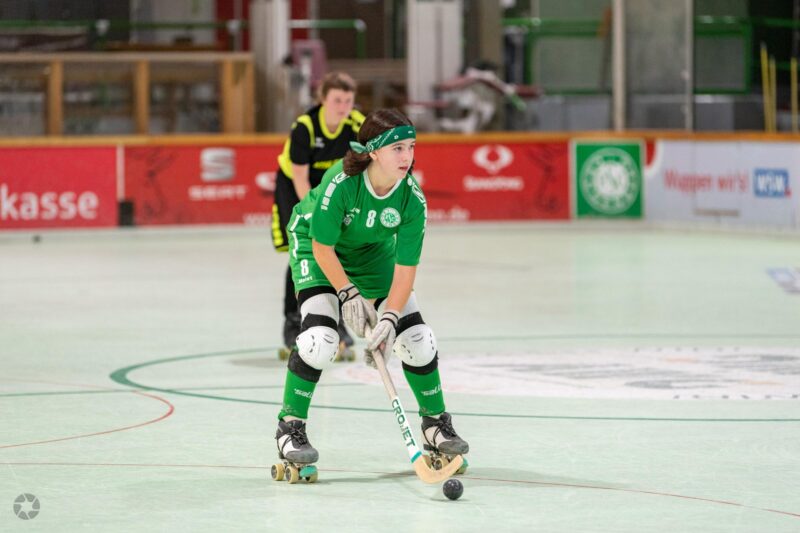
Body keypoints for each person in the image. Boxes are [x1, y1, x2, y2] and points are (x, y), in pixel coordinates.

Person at [273, 108, 469, 468]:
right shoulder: (341, 183)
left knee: (418, 339)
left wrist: (390, 318)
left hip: (372, 254)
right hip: (318, 248)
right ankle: (290, 427)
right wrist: (347, 293)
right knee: (320, 339)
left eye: (411, 147)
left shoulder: (412, 198)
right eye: (398, 148)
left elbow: (406, 269)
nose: (407, 156)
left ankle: (435, 425)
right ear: (374, 151)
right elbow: (322, 246)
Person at [272, 71, 364, 361]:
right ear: (323, 99)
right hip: (295, 188)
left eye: (348, 101)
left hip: (333, 190)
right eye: (337, 100)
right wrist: (318, 217)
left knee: (338, 252)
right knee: (303, 252)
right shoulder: (305, 128)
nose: (343, 107)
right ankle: (294, 324)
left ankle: (338, 324)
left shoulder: (357, 125)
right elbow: (300, 178)